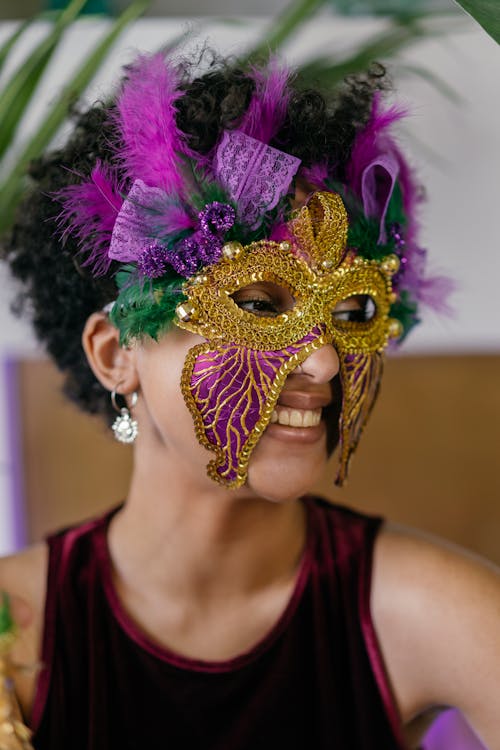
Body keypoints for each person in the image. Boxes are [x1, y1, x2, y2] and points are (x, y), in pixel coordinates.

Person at [0, 50, 498, 750]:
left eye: (352, 314)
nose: (323, 361)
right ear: (117, 354)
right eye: (260, 303)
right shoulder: (12, 634)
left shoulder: (432, 611)